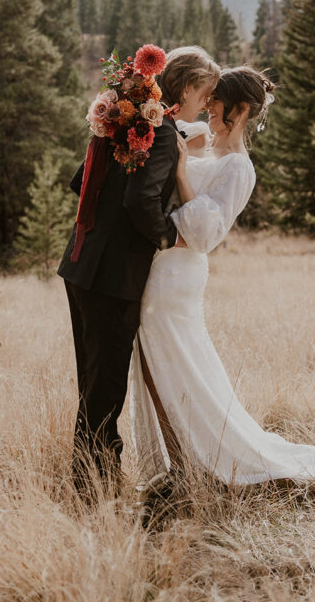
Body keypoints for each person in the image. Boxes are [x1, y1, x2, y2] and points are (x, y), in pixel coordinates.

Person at [129, 65, 315, 491]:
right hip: (160, 271)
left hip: (178, 277)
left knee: (177, 367)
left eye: (215, 108)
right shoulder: (203, 145)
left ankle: (199, 464)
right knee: (168, 366)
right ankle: (180, 463)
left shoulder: (239, 168)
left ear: (239, 112)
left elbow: (202, 234)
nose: (207, 115)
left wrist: (183, 173)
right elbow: (172, 130)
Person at [58, 46, 220, 498]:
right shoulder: (161, 133)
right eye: (204, 94)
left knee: (92, 384)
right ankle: (95, 492)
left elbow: (80, 180)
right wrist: (170, 237)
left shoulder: (128, 121)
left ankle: (89, 484)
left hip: (81, 262)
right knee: (105, 391)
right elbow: (139, 202)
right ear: (185, 88)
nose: (206, 104)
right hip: (114, 277)